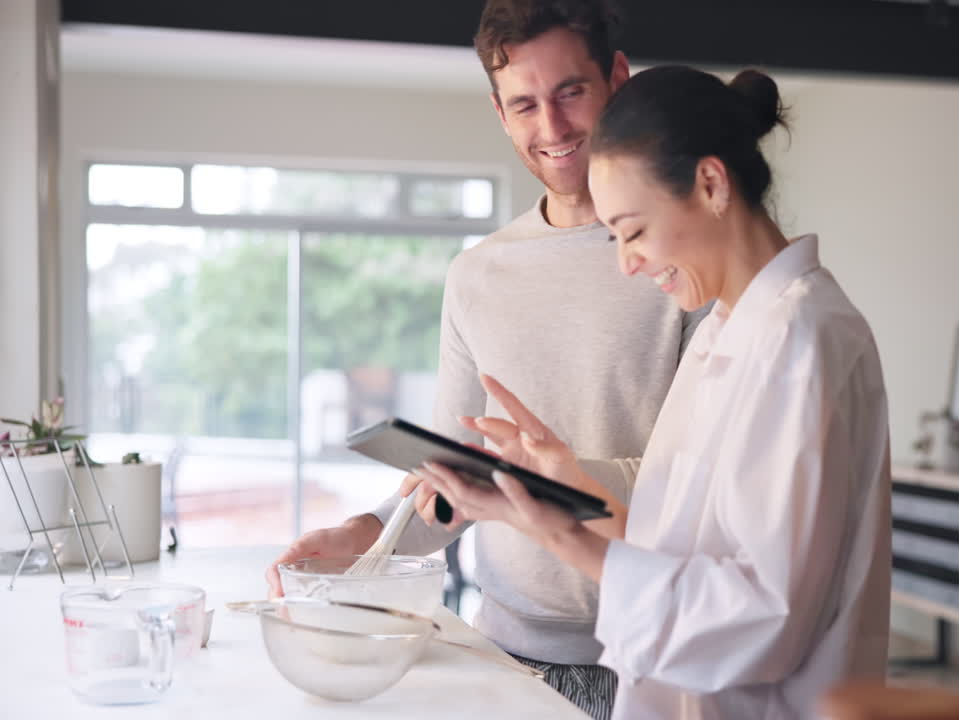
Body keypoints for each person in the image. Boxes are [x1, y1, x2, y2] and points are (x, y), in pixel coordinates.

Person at [404, 65, 894, 720]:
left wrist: (560, 536)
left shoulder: (799, 341)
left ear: (711, 184)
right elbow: (679, 543)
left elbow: (760, 623)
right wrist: (566, 484)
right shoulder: (729, 328)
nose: (626, 264)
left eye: (632, 231)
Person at [264, 3, 705, 717]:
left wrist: (541, 473)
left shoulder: (684, 259)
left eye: (571, 92)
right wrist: (369, 531)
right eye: (525, 104)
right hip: (503, 652)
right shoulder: (477, 275)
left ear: (618, 79)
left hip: (650, 658)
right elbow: (455, 475)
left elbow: (697, 486)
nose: (552, 129)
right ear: (501, 114)